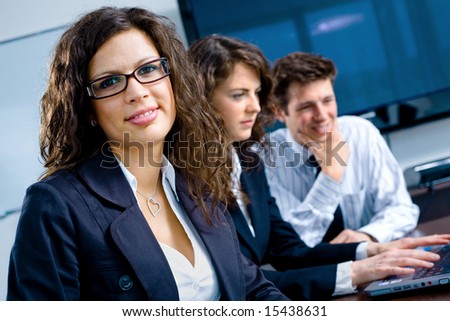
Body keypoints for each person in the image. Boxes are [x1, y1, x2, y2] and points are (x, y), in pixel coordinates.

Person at [7, 7, 288, 301]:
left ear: (172, 79)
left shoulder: (196, 180)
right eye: (109, 82)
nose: (138, 92)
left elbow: (252, 288)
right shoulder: (56, 205)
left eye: (148, 69)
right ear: (87, 108)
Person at [188, 34, 450, 300]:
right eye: (238, 95)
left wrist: (369, 249)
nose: (255, 107)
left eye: (256, 93)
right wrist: (331, 177)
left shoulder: (246, 161)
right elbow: (251, 276)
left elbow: (288, 249)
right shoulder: (225, 168)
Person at [264, 51, 419, 247]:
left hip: (376, 261)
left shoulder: (361, 133)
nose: (322, 115)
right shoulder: (264, 158)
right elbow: (291, 244)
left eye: (328, 101)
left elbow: (402, 209)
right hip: (307, 275)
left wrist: (367, 237)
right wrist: (330, 176)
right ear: (280, 111)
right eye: (306, 107)